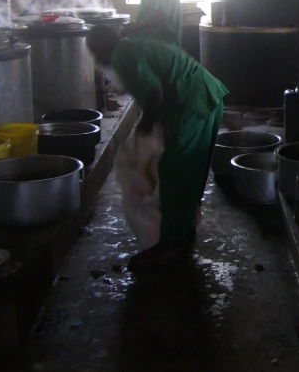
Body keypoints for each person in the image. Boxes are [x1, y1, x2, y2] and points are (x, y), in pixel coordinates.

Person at [86, 26, 228, 268]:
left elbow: (154, 93)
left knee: (174, 172)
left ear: (102, 47)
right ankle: (186, 224)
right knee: (193, 167)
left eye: (95, 52)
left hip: (190, 103)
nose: (96, 59)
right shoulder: (133, 45)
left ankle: (170, 243)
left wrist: (145, 125)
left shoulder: (122, 56)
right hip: (207, 95)